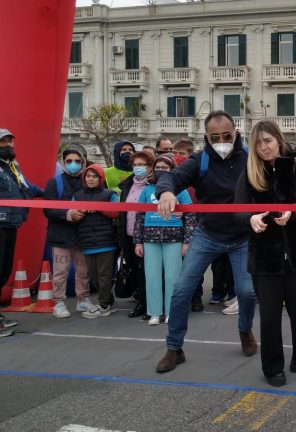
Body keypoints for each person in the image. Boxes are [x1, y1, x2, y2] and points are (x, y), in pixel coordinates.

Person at [154, 110, 257, 374]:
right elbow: (170, 177)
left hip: (242, 237)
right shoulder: (199, 161)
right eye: (215, 137)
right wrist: (166, 192)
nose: (221, 140)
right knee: (181, 291)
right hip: (207, 234)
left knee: (246, 292)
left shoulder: (250, 159)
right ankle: (174, 348)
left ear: (236, 133)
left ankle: (245, 330)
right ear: (206, 137)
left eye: (226, 135)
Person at [234, 120, 296, 387]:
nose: (263, 147)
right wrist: (251, 219)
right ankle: (273, 368)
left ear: (278, 140)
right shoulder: (249, 173)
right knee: (269, 316)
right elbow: (238, 209)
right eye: (258, 143)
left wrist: (293, 213)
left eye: (267, 141)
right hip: (265, 255)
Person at [134, 156, 197, 326]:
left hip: (174, 238)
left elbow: (191, 216)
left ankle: (172, 312)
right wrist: (138, 242)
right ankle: (154, 312)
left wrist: (187, 241)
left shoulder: (180, 191)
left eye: (166, 168)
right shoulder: (146, 191)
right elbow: (139, 217)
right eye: (158, 167)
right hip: (150, 239)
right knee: (152, 276)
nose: (161, 170)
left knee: (173, 277)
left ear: (173, 170)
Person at [0, 128, 43, 325]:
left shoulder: (12, 166)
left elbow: (25, 187)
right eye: (3, 142)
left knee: (4, 271)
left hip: (11, 223)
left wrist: (49, 193)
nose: (9, 145)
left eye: (10, 141)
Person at [43, 148, 93, 318]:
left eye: (77, 161)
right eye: (69, 161)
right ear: (63, 162)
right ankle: (58, 302)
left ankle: (83, 299)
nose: (73, 164)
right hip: (60, 236)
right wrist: (68, 214)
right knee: (60, 271)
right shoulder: (54, 182)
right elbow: (48, 209)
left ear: (83, 162)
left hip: (83, 235)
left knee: (83, 270)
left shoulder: (88, 181)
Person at [71, 164, 120, 319]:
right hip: (87, 243)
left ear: (101, 178)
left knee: (104, 275)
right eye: (88, 176)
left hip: (106, 242)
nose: (91, 179)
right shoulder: (77, 195)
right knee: (94, 276)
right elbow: (72, 214)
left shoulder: (109, 194)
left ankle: (104, 305)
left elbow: (116, 212)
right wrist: (80, 212)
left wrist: (99, 208)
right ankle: (109, 302)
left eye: (94, 176)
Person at [119, 152, 154, 319]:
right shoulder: (127, 185)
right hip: (129, 234)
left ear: (150, 167)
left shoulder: (153, 185)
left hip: (148, 236)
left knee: (148, 272)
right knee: (135, 271)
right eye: (135, 164)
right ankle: (141, 302)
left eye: (142, 164)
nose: (138, 168)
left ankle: (151, 305)